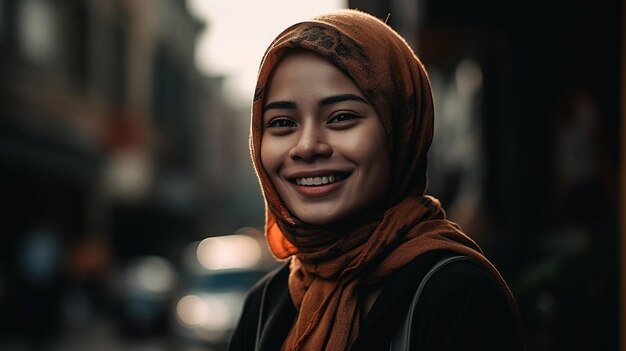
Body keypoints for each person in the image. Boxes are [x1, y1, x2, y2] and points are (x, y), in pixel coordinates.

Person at [229, 9, 524, 351]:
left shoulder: (457, 295)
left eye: (341, 117)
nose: (307, 146)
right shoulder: (265, 305)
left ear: (400, 128)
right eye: (282, 123)